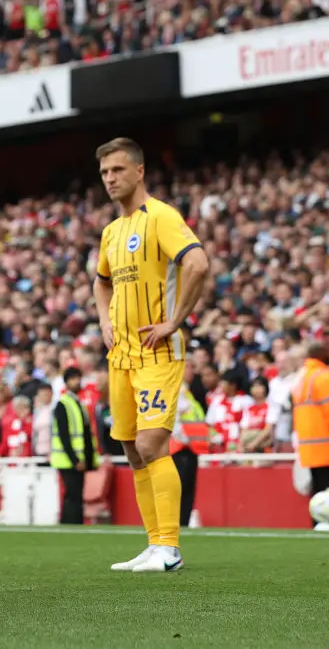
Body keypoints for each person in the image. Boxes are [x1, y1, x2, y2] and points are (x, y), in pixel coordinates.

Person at [93, 137, 210, 573]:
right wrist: (104, 321)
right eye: (104, 173)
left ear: (139, 171)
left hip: (157, 352)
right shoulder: (111, 231)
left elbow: (197, 263)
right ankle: (155, 543)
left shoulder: (161, 216)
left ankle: (170, 548)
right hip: (121, 355)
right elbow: (101, 281)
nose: (110, 179)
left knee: (150, 443)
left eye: (118, 170)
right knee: (131, 447)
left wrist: (174, 322)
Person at [292, 342, 329, 527]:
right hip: (328, 447)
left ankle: (318, 528)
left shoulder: (303, 377)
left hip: (309, 448)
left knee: (317, 496)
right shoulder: (325, 376)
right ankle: (326, 528)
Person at [49, 367, 98, 525]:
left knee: (75, 495)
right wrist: (75, 459)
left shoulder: (78, 404)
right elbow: (64, 436)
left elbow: (86, 434)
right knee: (73, 495)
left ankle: (71, 524)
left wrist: (89, 460)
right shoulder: (63, 404)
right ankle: (71, 524)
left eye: (78, 378)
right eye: (73, 379)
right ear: (66, 382)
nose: (77, 381)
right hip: (67, 460)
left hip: (75, 459)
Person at [168, 366, 209, 526]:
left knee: (188, 491)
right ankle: (175, 522)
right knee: (180, 488)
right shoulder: (177, 391)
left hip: (191, 449)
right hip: (180, 448)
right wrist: (184, 439)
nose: (191, 371)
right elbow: (175, 420)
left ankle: (182, 522)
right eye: (188, 367)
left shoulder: (187, 392)